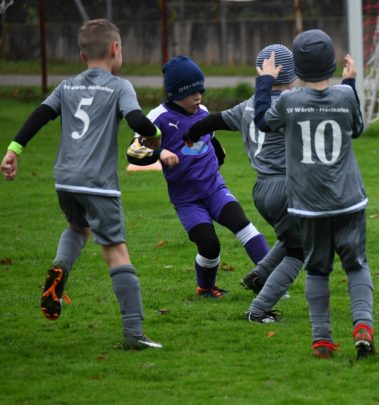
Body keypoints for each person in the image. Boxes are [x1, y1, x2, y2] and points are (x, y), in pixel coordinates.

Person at [1, 19, 162, 349]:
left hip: (65, 180)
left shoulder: (66, 86)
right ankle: (134, 334)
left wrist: (12, 151)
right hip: (98, 184)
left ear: (80, 54)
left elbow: (38, 116)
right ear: (115, 49)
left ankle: (60, 267)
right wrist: (155, 135)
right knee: (117, 253)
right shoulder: (120, 86)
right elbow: (135, 120)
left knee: (77, 226)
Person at [252, 29, 375, 359]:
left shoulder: (290, 102)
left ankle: (322, 338)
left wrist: (265, 81)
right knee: (356, 265)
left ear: (298, 70)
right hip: (348, 200)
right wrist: (349, 83)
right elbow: (358, 128)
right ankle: (362, 325)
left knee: (317, 270)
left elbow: (263, 120)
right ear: (333, 65)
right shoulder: (344, 97)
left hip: (308, 205)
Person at [126, 55, 270, 298]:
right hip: (187, 200)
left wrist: (218, 156)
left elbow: (211, 140)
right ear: (174, 93)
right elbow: (133, 151)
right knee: (209, 245)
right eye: (191, 92)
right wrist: (160, 152)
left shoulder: (202, 112)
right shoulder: (158, 117)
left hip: (215, 189)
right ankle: (205, 287)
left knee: (242, 225)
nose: (198, 97)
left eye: (200, 91)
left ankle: (274, 281)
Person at [181, 44, 300, 323]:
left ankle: (259, 276)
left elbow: (215, 120)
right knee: (301, 249)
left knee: (293, 237)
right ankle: (260, 309)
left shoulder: (248, 106)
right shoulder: (292, 105)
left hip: (261, 190)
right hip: (288, 188)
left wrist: (192, 132)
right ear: (292, 76)